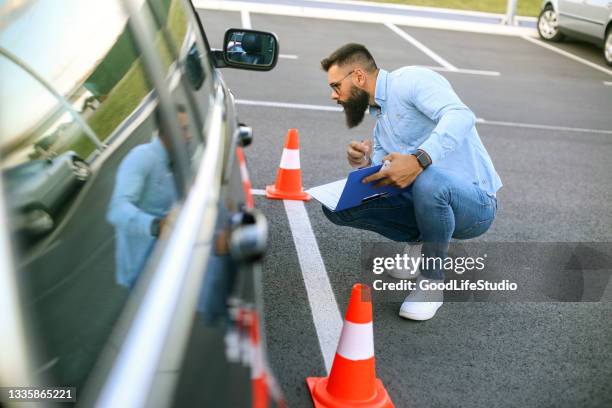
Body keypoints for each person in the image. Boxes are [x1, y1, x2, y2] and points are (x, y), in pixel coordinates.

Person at [320, 43, 502, 321]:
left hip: (475, 204)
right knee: (336, 206)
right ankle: (419, 242)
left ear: (358, 77)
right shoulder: (381, 124)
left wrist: (419, 159)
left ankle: (431, 282)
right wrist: (363, 166)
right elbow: (388, 180)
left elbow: (461, 115)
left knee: (428, 180)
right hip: (429, 197)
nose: (334, 96)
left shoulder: (411, 80)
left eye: (336, 86)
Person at [106, 106, 190, 289]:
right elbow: (117, 210)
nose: (189, 135)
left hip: (166, 260)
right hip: (142, 270)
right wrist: (156, 226)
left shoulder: (176, 159)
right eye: (183, 129)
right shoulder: (141, 158)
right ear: (168, 131)